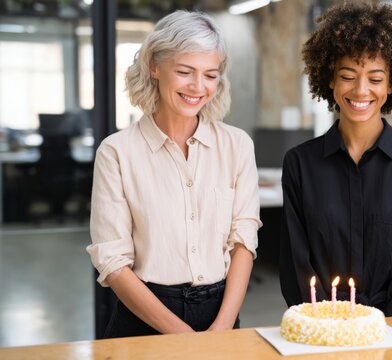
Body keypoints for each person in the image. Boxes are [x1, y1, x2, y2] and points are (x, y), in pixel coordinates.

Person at [87, 10, 262, 338]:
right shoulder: (116, 153)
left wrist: (222, 327)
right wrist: (185, 339)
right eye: (185, 72)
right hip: (144, 318)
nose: (199, 87)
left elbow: (243, 242)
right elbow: (112, 261)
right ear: (154, 66)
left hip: (221, 317)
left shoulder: (237, 146)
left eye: (211, 75)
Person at [279, 1, 392, 316]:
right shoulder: (299, 164)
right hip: (321, 329)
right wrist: (327, 323)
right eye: (348, 75)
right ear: (330, 79)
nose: (361, 90)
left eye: (376, 78)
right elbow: (296, 263)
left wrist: (384, 328)